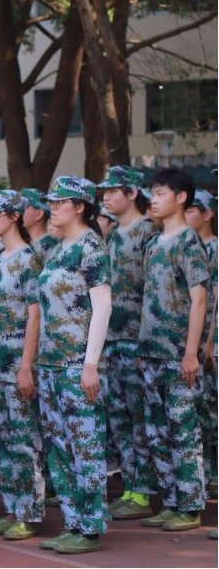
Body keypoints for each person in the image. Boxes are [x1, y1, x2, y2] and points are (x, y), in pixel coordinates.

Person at [36, 177, 111, 555]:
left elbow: (103, 307)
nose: (52, 207)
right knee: (58, 449)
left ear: (80, 206)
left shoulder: (91, 247)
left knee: (86, 447)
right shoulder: (56, 249)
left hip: (76, 365)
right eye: (50, 202)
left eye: (59, 202)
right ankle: (72, 522)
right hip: (50, 364)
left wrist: (90, 364)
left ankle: (91, 526)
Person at [139, 168, 209, 533]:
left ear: (181, 198)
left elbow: (200, 300)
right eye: (152, 192)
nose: (153, 199)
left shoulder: (188, 242)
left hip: (178, 353)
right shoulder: (154, 243)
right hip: (151, 352)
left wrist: (191, 353)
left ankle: (191, 505)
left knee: (184, 432)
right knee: (157, 433)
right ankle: (171, 501)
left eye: (161, 193)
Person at [0, 191, 45, 541]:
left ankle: (30, 513)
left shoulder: (28, 259)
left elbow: (35, 315)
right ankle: (12, 508)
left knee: (24, 442)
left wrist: (25, 366)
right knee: (4, 442)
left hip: (16, 364)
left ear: (15, 216)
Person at [98, 166, 157, 520]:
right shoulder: (113, 234)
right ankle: (131, 486)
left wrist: (144, 343)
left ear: (133, 193)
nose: (106, 197)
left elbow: (154, 290)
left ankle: (144, 492)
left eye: (113, 191)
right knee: (119, 419)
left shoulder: (148, 232)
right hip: (112, 340)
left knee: (140, 417)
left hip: (136, 341)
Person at [187, 187, 218, 498]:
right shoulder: (188, 244)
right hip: (200, 340)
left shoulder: (214, 247)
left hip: (209, 338)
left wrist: (209, 341)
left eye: (192, 209)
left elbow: (214, 300)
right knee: (204, 411)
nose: (187, 215)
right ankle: (207, 472)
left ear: (208, 214)